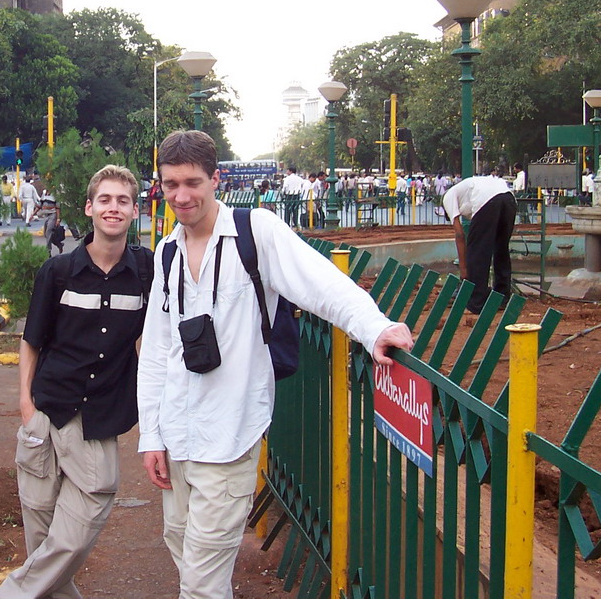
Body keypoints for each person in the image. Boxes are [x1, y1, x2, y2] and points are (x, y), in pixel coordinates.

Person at [138, 130, 413, 599]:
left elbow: (320, 283)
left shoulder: (254, 232)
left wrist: (374, 326)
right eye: (170, 185)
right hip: (176, 435)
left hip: (230, 434)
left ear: (215, 180)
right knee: (183, 548)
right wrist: (151, 437)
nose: (181, 196)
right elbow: (159, 353)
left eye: (192, 183)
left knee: (201, 580)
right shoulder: (167, 252)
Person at [0, 165, 154, 599]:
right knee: (41, 538)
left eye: (123, 201)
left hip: (98, 419)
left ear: (135, 211)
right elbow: (32, 341)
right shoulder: (58, 272)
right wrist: (25, 405)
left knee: (76, 531)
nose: (114, 208)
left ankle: (4, 597)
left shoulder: (148, 272)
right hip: (46, 411)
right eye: (106, 200)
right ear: (90, 208)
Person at [442, 169, 516, 314]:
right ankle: (502, 298)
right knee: (501, 250)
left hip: (487, 200)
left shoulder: (448, 197)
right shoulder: (468, 192)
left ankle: (476, 304)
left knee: (477, 253)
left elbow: (459, 235)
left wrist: (463, 269)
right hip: (509, 199)